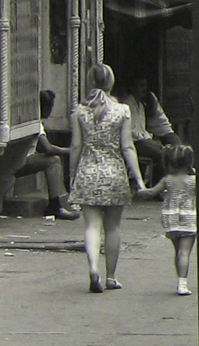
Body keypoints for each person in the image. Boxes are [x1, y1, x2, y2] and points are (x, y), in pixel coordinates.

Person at [69, 63, 144, 293]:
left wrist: (72, 174)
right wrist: (138, 179)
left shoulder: (79, 112)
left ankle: (93, 267)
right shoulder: (122, 111)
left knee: (92, 226)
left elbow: (75, 146)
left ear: (91, 82)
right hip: (114, 174)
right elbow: (128, 147)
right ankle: (111, 277)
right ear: (111, 83)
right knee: (113, 228)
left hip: (88, 173)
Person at [136, 143, 198, 295]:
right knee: (185, 253)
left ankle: (179, 279)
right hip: (189, 218)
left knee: (177, 252)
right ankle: (182, 283)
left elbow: (151, 193)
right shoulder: (193, 180)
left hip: (171, 218)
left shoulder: (167, 180)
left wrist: (141, 190)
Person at [14, 89, 77, 219]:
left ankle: (58, 202)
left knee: (53, 159)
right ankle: (55, 205)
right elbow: (47, 148)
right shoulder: (36, 123)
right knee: (53, 160)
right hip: (19, 161)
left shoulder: (30, 118)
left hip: (17, 158)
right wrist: (70, 151)